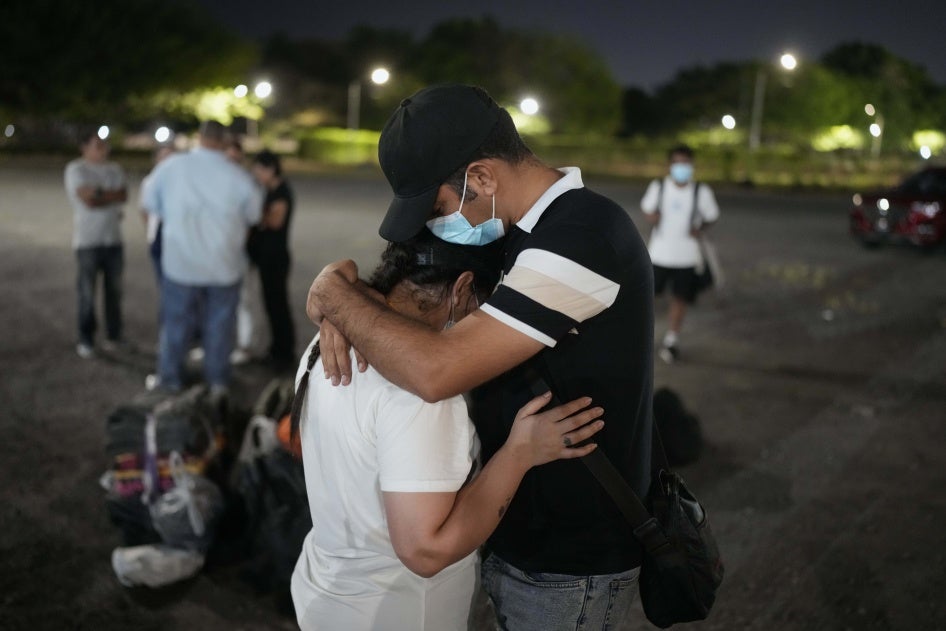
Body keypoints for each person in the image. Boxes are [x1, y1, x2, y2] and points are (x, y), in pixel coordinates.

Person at [306, 84, 654, 630]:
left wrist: (332, 292)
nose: (436, 226)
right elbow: (415, 292)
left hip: (568, 560)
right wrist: (342, 289)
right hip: (504, 531)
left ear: (483, 177)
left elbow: (436, 370)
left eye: (438, 209)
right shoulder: (515, 228)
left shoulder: (584, 237)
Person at [291, 230, 605, 630]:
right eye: (486, 305)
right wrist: (520, 453)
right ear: (462, 288)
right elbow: (426, 550)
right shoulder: (419, 393)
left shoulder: (328, 339)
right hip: (395, 612)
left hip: (327, 593)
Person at [141, 120, 261, 395]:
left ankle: (170, 378)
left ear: (199, 137)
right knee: (220, 325)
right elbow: (253, 216)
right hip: (223, 263)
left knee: (176, 323)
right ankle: (217, 381)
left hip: (180, 261)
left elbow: (150, 204)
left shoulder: (171, 167)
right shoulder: (239, 177)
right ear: (224, 141)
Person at [640, 144, 720, 363]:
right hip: (658, 254)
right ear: (670, 165)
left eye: (686, 163)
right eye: (677, 163)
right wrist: (653, 217)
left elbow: (712, 215)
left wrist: (700, 228)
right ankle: (642, 338)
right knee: (648, 296)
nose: (681, 167)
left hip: (687, 256)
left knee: (680, 298)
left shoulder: (701, 191)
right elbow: (647, 209)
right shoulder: (659, 187)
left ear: (692, 165)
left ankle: (672, 340)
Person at [64, 130, 128, 358]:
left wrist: (99, 194)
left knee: (114, 292)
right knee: (86, 293)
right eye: (97, 145)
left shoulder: (115, 169)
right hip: (88, 241)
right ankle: (86, 338)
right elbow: (88, 200)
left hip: (114, 240)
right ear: (84, 148)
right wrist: (107, 195)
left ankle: (114, 335)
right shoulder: (76, 169)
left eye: (104, 145)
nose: (103, 150)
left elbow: (123, 195)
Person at [248, 150, 296, 368]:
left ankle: (284, 353)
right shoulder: (270, 190)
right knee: (272, 304)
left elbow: (276, 222)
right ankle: (277, 349)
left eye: (259, 169)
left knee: (278, 305)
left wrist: (255, 215)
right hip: (268, 256)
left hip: (275, 257)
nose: (255, 174)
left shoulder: (281, 192)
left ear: (270, 169)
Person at [139, 145, 175, 285]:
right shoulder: (150, 182)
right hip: (159, 235)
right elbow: (144, 210)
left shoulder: (182, 182)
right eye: (164, 157)